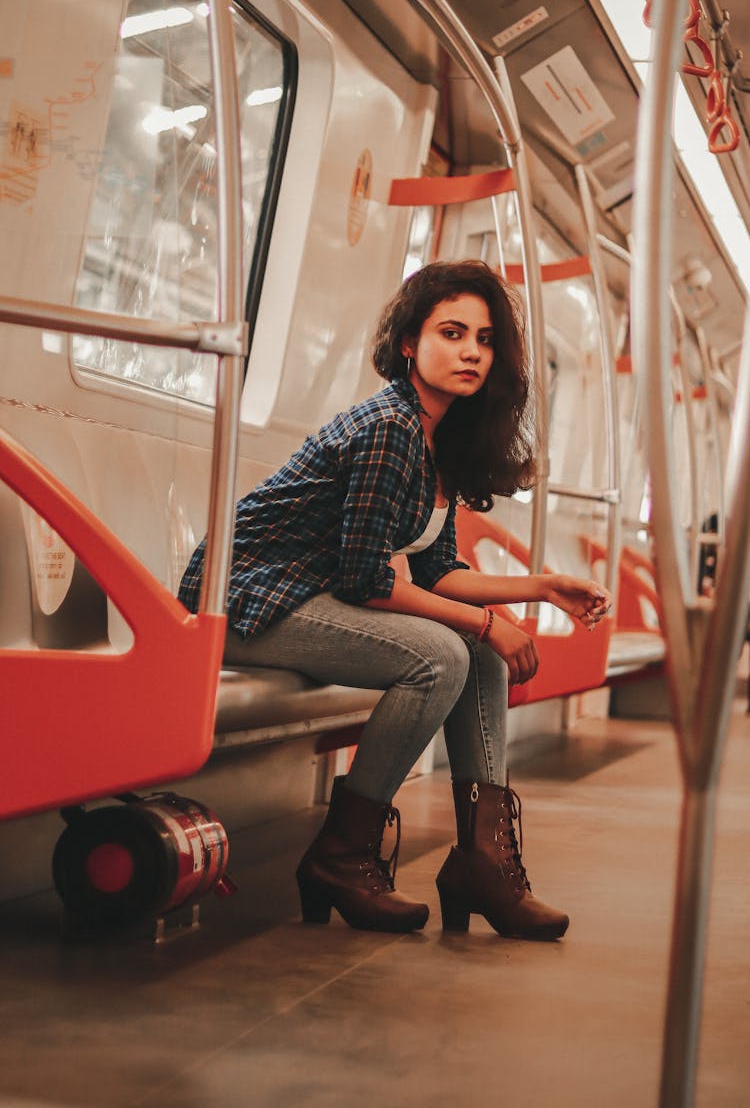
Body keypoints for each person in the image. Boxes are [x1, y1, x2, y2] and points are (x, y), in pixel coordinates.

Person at [179, 260, 610, 939]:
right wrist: (487, 623)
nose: (471, 350)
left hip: (306, 598)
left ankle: (482, 862)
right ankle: (340, 858)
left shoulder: (440, 438)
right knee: (442, 655)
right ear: (409, 342)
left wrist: (543, 588)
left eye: (486, 338)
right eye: (452, 332)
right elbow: (367, 581)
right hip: (245, 600)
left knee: (478, 653)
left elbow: (436, 572)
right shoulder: (388, 427)